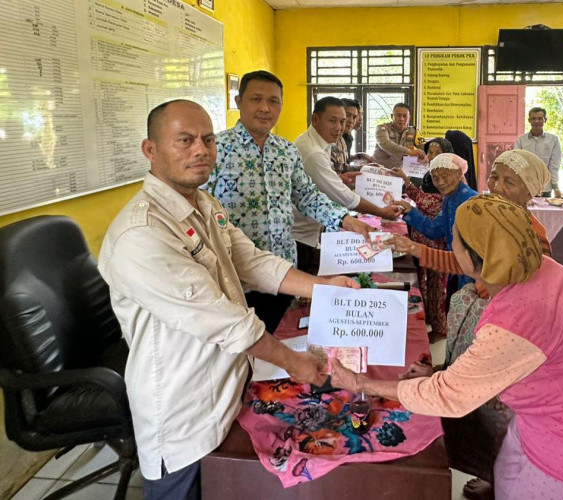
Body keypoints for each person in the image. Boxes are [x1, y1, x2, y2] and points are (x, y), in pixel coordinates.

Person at [98, 99, 359, 499]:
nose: (200, 150)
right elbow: (223, 320)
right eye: (184, 140)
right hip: (186, 409)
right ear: (150, 150)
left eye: (207, 139)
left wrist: (323, 287)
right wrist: (295, 363)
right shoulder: (143, 233)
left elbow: (251, 261)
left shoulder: (205, 205)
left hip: (230, 384)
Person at [332, 194, 563, 499]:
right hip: (561, 413)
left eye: (455, 238)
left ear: (473, 256)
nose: (451, 243)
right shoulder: (532, 267)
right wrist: (439, 372)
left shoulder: (519, 317)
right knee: (507, 474)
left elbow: (448, 396)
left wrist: (361, 383)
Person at [391, 149, 552, 499]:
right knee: (473, 405)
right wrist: (415, 250)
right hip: (480, 327)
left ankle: (501, 479)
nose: (496, 186)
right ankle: (484, 468)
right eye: (494, 176)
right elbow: (465, 263)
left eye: (509, 182)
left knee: (499, 412)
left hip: (507, 336)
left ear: (530, 191)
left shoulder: (532, 234)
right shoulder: (487, 216)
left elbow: (527, 298)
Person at [207, 71, 371, 332]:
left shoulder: (286, 150)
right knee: (240, 347)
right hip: (234, 275)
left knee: (279, 336)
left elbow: (306, 194)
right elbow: (200, 208)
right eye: (256, 99)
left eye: (273, 101)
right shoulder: (215, 149)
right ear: (239, 102)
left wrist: (344, 219)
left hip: (283, 270)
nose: (265, 108)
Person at [293, 97, 401, 261]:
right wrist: (381, 211)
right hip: (300, 236)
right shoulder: (313, 152)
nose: (339, 127)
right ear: (315, 119)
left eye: (342, 121)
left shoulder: (321, 141)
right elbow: (344, 197)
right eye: (332, 120)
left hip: (312, 228)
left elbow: (314, 182)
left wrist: (338, 178)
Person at [391, 137, 454, 341]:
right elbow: (420, 198)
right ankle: (426, 317)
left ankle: (440, 328)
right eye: (430, 152)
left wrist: (407, 185)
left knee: (437, 287)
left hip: (436, 244)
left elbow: (430, 205)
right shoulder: (430, 175)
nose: (431, 156)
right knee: (422, 281)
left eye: (437, 152)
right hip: (421, 238)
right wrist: (404, 179)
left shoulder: (449, 179)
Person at [394, 153, 478, 294]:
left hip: (472, 275)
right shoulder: (449, 199)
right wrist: (409, 211)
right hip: (454, 268)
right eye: (435, 178)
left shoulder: (472, 201)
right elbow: (433, 230)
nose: (440, 182)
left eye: (445, 175)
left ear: (459, 174)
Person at [514, 107, 563, 198]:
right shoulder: (520, 141)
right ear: (529, 120)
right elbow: (516, 164)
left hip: (545, 187)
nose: (536, 121)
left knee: (545, 207)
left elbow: (554, 166)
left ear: (545, 120)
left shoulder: (553, 140)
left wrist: (556, 187)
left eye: (540, 118)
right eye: (533, 118)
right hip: (526, 186)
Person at [330, 98, 373, 186]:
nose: (351, 120)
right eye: (347, 115)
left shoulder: (342, 139)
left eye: (354, 117)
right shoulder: (329, 139)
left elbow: (342, 166)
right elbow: (329, 177)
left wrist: (365, 168)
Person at [372, 103, 426, 168]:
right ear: (392, 116)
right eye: (398, 115)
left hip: (401, 172)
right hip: (379, 170)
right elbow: (384, 143)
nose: (402, 119)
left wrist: (424, 155)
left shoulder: (414, 132)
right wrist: (409, 152)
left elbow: (425, 148)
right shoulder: (382, 128)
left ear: (409, 118)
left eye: (405, 116)